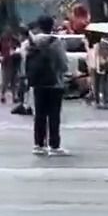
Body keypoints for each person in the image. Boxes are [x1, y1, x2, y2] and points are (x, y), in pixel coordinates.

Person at [25, 17, 71, 157]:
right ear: (52, 26)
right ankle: (54, 145)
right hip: (54, 83)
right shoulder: (55, 42)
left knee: (39, 114)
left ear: (39, 26)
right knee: (54, 115)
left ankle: (39, 144)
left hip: (38, 82)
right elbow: (63, 64)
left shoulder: (31, 42)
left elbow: (25, 61)